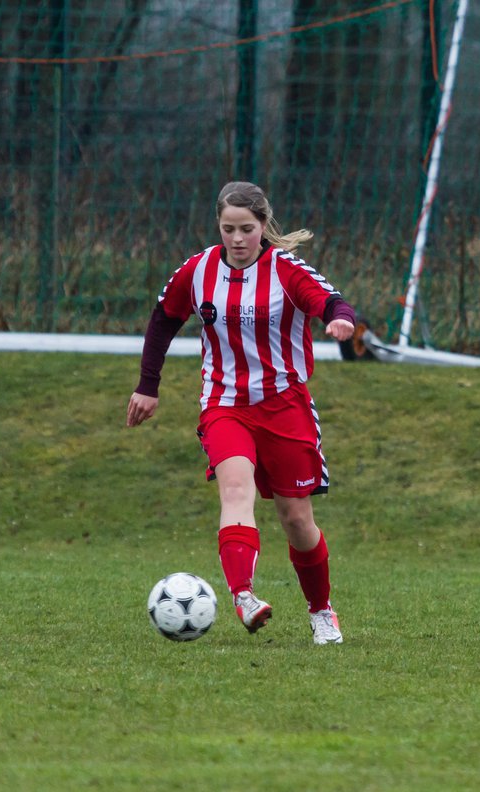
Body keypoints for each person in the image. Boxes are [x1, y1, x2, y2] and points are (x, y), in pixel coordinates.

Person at [126, 181, 356, 645]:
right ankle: (244, 596)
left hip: (286, 406)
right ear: (218, 226)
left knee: (296, 520)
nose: (236, 239)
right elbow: (163, 319)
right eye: (228, 228)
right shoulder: (198, 270)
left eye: (246, 229)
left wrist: (340, 319)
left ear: (263, 227)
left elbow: (329, 300)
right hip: (224, 405)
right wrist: (148, 386)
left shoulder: (286, 270)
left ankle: (321, 611)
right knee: (235, 491)